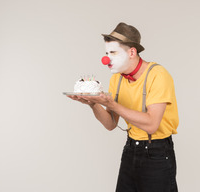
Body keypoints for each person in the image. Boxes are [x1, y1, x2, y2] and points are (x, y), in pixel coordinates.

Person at [68, 22, 179, 192]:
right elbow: (111, 124)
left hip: (157, 152)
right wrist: (93, 104)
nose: (106, 59)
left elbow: (152, 124)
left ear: (132, 52)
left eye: (113, 52)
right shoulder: (117, 79)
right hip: (130, 150)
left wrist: (112, 104)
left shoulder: (158, 75)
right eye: (106, 53)